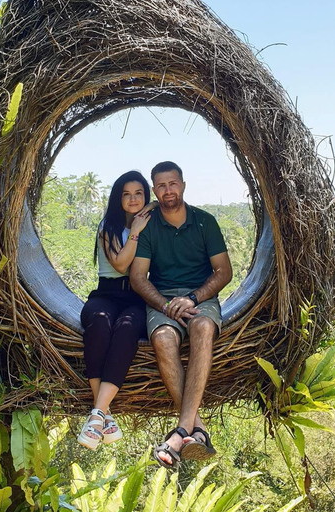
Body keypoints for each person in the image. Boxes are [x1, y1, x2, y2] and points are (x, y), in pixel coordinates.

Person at [129, 161, 232, 469]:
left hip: (200, 297)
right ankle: (197, 429)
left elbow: (224, 272)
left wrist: (192, 298)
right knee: (162, 338)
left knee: (203, 327)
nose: (168, 190)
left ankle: (182, 431)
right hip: (162, 300)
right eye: (161, 186)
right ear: (154, 190)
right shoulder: (149, 227)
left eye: (173, 183)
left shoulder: (204, 222)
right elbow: (138, 277)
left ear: (183, 185)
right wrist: (165, 305)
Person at [77, 170, 156, 450]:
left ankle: (97, 415)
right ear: (117, 198)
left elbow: (161, 203)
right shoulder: (108, 226)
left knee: (126, 329)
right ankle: (103, 414)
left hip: (137, 297)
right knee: (99, 324)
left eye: (139, 193)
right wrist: (135, 232)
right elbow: (121, 265)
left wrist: (148, 210)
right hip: (106, 294)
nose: (133, 199)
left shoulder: (151, 222)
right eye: (126, 194)